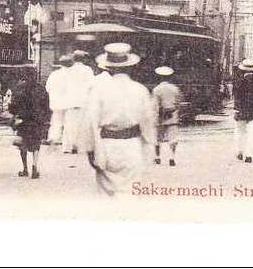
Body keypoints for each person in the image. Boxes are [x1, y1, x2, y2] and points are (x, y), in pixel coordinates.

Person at [79, 42, 156, 196]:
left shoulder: (99, 90)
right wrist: (149, 148)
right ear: (131, 66)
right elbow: (148, 124)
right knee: (130, 193)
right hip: (132, 147)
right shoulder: (140, 90)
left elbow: (89, 122)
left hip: (106, 147)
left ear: (108, 67)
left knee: (107, 196)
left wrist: (90, 151)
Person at [10, 74, 50, 179]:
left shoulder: (20, 89)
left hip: (24, 121)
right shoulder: (41, 89)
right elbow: (46, 105)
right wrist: (45, 119)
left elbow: (13, 107)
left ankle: (25, 169)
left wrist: (15, 116)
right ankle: (35, 166)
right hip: (37, 121)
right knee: (36, 144)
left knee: (23, 144)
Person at [61, 50, 95, 154]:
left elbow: (63, 85)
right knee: (82, 124)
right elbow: (92, 85)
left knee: (69, 123)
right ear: (83, 59)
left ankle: (68, 146)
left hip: (70, 100)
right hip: (83, 100)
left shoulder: (68, 70)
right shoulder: (87, 70)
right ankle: (80, 146)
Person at [233, 58, 253, 163]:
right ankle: (249, 155)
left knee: (239, 132)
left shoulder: (238, 82)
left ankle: (239, 152)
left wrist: (237, 108)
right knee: (252, 134)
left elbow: (236, 97)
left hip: (241, 112)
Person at [152, 66, 182, 167]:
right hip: (172, 116)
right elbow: (178, 103)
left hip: (160, 117)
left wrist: (155, 118)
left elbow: (155, 105)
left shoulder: (156, 90)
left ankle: (157, 157)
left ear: (159, 77)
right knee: (173, 139)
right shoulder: (175, 89)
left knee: (157, 138)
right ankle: (171, 157)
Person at [45, 55, 71, 146]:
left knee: (56, 120)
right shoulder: (72, 75)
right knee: (68, 122)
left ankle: (54, 137)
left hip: (56, 102)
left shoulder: (54, 74)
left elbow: (48, 88)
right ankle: (67, 141)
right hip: (69, 102)